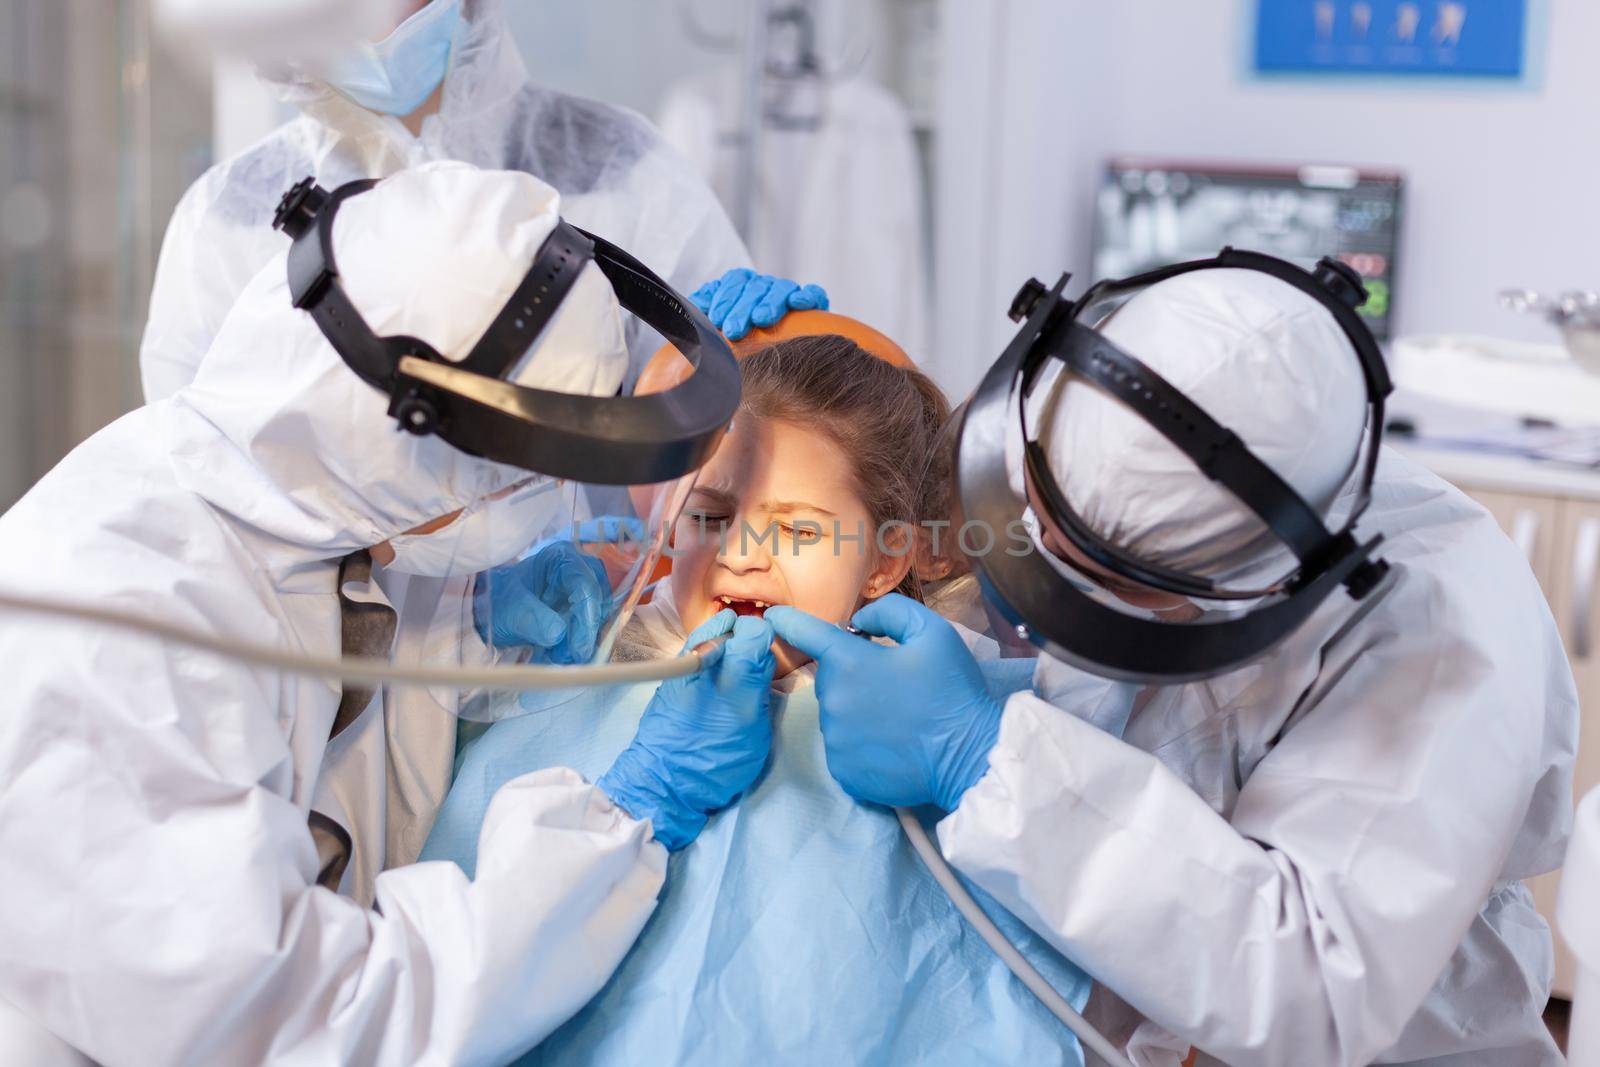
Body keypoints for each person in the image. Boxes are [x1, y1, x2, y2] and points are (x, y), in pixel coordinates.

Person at [0, 163, 778, 1066]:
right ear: (413, 433)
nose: (549, 503)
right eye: (529, 479)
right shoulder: (108, 644)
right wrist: (622, 819)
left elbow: (318, 704)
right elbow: (318, 1026)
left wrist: (469, 621)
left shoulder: (280, 512)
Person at [768, 265, 1580, 1065]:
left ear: (1243, 589)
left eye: (1093, 576)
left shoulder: (1439, 629)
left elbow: (1309, 990)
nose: (1022, 565)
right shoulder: (1107, 414)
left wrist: (985, 764)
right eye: (1031, 510)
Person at [420, 333, 1090, 1064]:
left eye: (799, 528)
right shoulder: (579, 661)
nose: (738, 552)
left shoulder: (950, 720)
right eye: (708, 514)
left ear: (886, 558)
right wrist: (471, 624)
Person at [141, 0, 825, 402]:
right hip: (323, 647)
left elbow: (741, 438)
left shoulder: (621, 169)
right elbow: (195, 493)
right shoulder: (226, 221)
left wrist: (767, 361)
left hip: (605, 639)